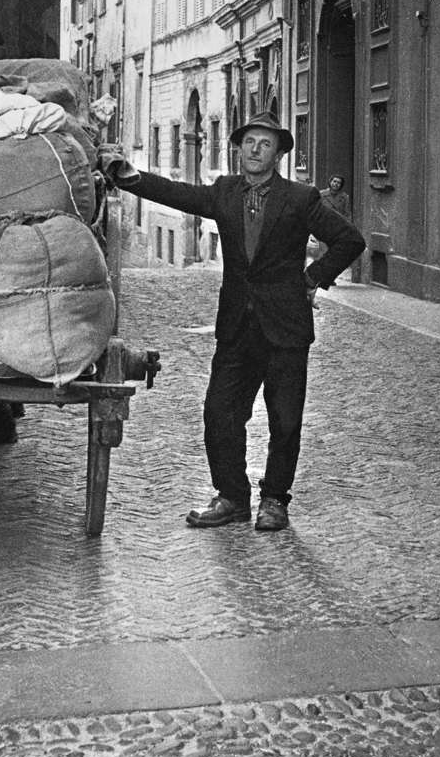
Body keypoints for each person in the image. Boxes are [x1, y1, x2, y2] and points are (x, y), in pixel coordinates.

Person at [102, 112, 365, 533]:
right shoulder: (224, 192)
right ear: (239, 149)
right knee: (220, 413)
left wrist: (312, 279)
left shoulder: (300, 198)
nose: (255, 150)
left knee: (285, 420)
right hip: (237, 326)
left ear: (278, 154)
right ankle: (232, 497)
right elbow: (177, 193)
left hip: (285, 328)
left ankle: (275, 500)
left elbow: (350, 240)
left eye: (265, 144)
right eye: (249, 142)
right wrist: (128, 177)